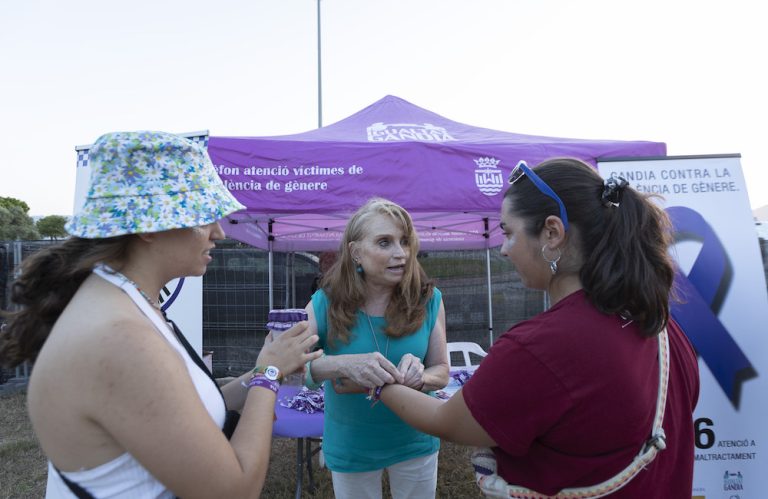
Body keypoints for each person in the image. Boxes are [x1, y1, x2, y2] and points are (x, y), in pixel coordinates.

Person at [0, 131, 321, 498]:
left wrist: (259, 371)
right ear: (150, 227)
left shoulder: (127, 302)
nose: (218, 232)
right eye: (204, 216)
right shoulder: (120, 337)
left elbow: (190, 407)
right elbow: (234, 489)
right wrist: (268, 374)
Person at [374, 158, 700, 498]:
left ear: (552, 233)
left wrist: (380, 384)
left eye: (509, 232)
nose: (502, 249)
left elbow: (448, 420)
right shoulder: (662, 327)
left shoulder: (544, 346)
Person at [301, 197, 449, 499]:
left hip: (415, 439)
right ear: (356, 253)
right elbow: (293, 367)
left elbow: (442, 371)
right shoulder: (324, 303)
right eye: (385, 243)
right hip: (352, 444)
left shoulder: (428, 299)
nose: (401, 254)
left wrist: (422, 377)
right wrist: (342, 365)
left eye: (404, 242)